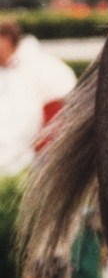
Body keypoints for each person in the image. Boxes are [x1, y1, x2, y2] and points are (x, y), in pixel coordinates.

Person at [0, 18, 77, 177]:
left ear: (6, 40)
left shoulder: (41, 67)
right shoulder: (5, 70)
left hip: (34, 160)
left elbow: (57, 111)